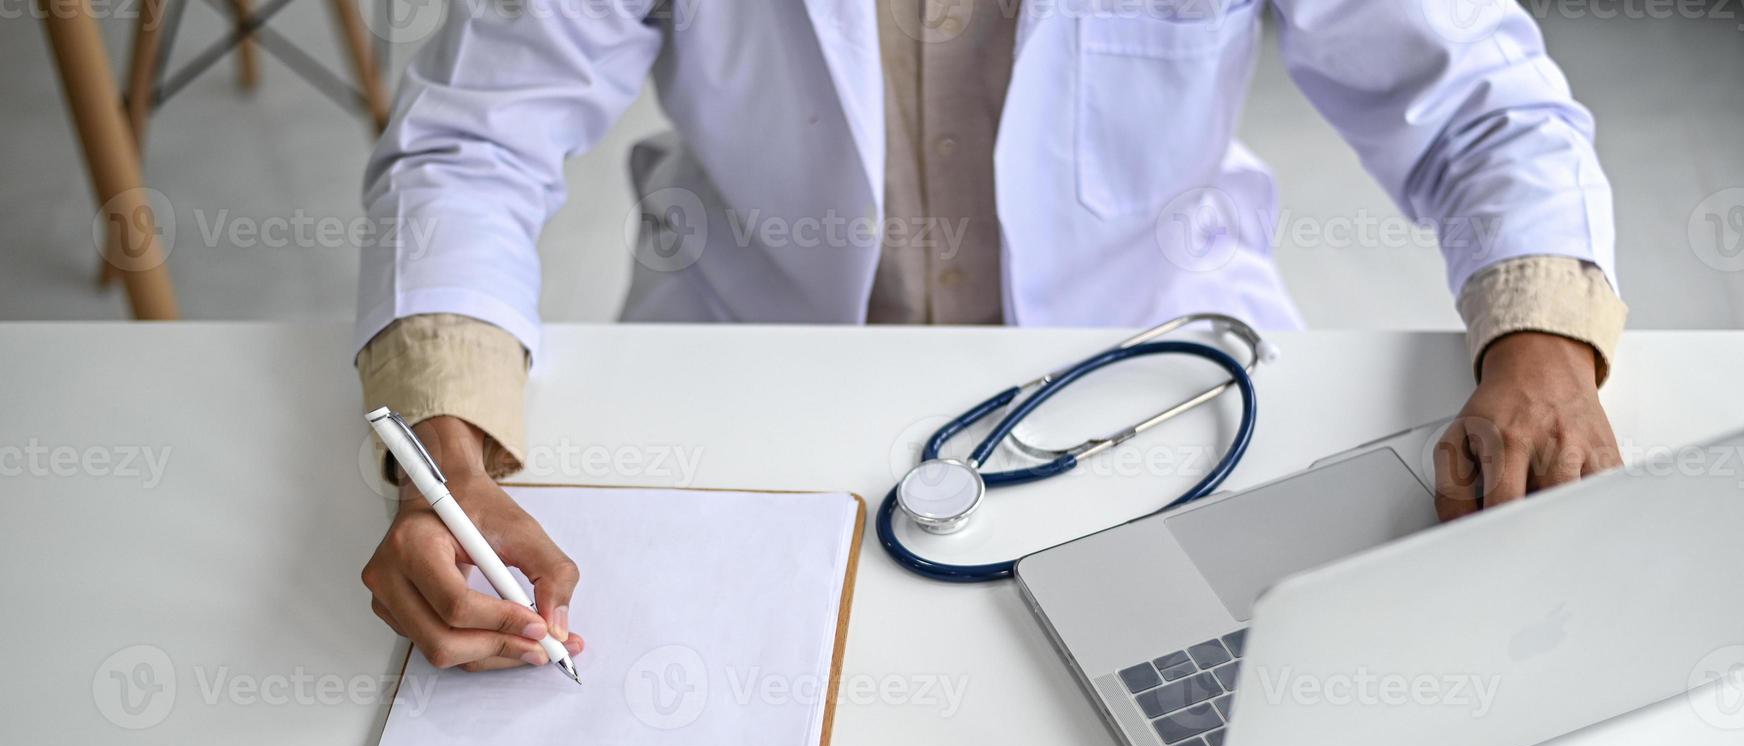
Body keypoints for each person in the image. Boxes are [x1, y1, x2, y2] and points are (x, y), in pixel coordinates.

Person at [356, 0, 1628, 672]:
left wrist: (1540, 351)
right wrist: (450, 466)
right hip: (756, 368)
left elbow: (1480, 108)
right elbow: (472, 143)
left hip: (1156, 384)